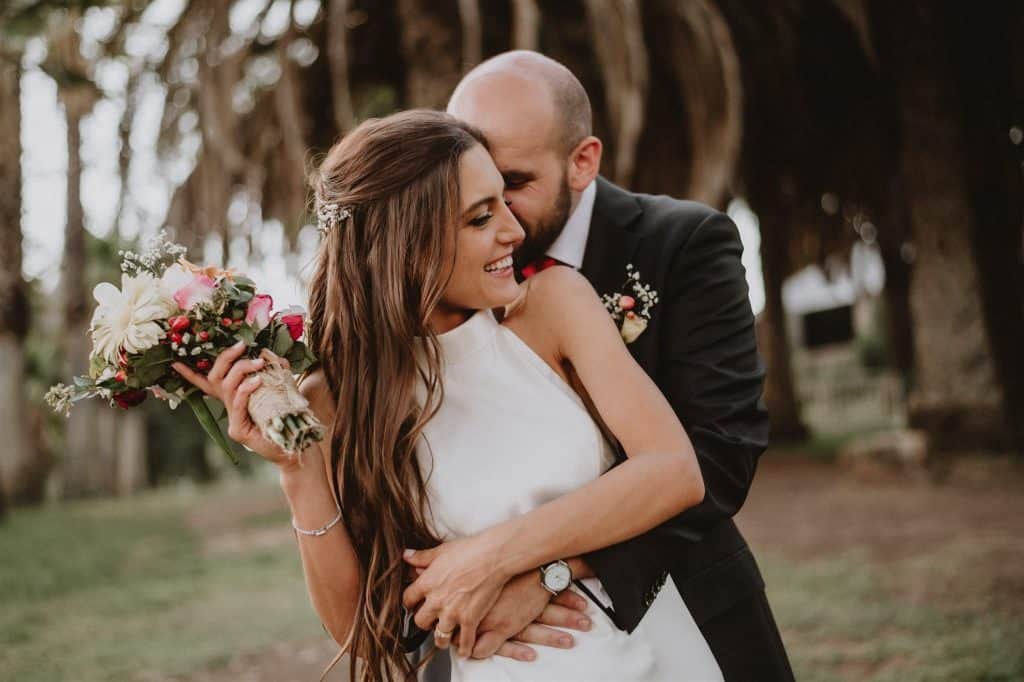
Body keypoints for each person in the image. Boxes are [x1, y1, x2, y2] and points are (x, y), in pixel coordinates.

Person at [174, 109, 722, 681]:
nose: (514, 231)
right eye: (481, 217)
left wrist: (497, 559)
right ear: (405, 244)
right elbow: (361, 629)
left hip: (653, 657)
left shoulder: (554, 305)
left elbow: (673, 472)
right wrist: (297, 472)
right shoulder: (337, 398)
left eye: (504, 202)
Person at [409, 51, 793, 681]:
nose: (499, 218)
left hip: (681, 610)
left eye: (514, 183)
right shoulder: (441, 284)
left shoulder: (683, 243)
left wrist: (544, 570)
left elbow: (719, 456)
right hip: (491, 647)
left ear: (583, 161)